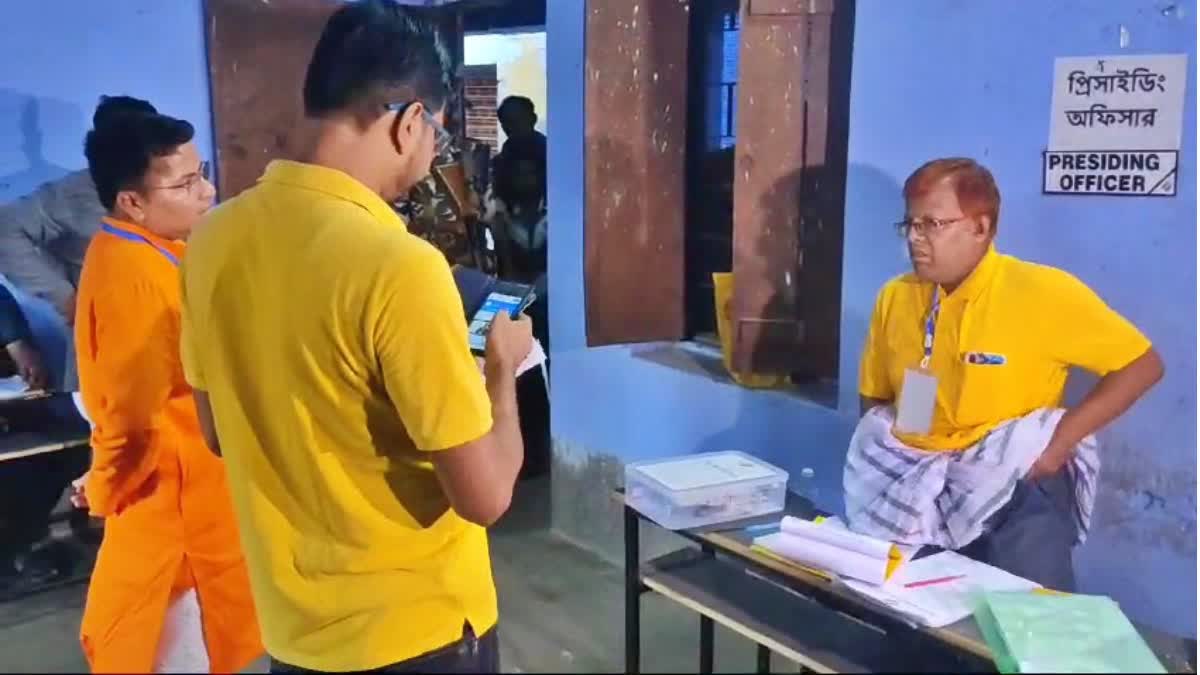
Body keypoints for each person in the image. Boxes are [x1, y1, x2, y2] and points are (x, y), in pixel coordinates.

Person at [179, 2, 531, 673]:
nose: (434, 158)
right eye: (437, 139)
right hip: (415, 634)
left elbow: (217, 431)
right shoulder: (399, 267)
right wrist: (501, 373)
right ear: (408, 122)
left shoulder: (212, 241)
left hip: (296, 633)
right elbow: (485, 496)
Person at [845, 157, 1164, 591]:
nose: (916, 241)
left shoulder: (1042, 293)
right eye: (910, 226)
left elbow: (1142, 365)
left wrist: (1059, 445)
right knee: (918, 623)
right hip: (918, 486)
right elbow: (875, 400)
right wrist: (902, 460)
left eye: (932, 225)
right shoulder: (896, 298)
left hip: (1017, 484)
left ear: (981, 227)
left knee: (1027, 623)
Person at [73, 110, 262, 672]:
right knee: (173, 647)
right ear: (131, 201)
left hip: (193, 491)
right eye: (185, 184)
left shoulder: (153, 248)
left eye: (202, 174)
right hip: (170, 512)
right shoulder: (134, 280)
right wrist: (104, 488)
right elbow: (130, 420)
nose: (207, 192)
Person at [0, 95, 158, 404]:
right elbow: (5, 231)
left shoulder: (174, 185)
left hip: (171, 343)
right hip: (105, 351)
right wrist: (65, 296)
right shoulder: (74, 193)